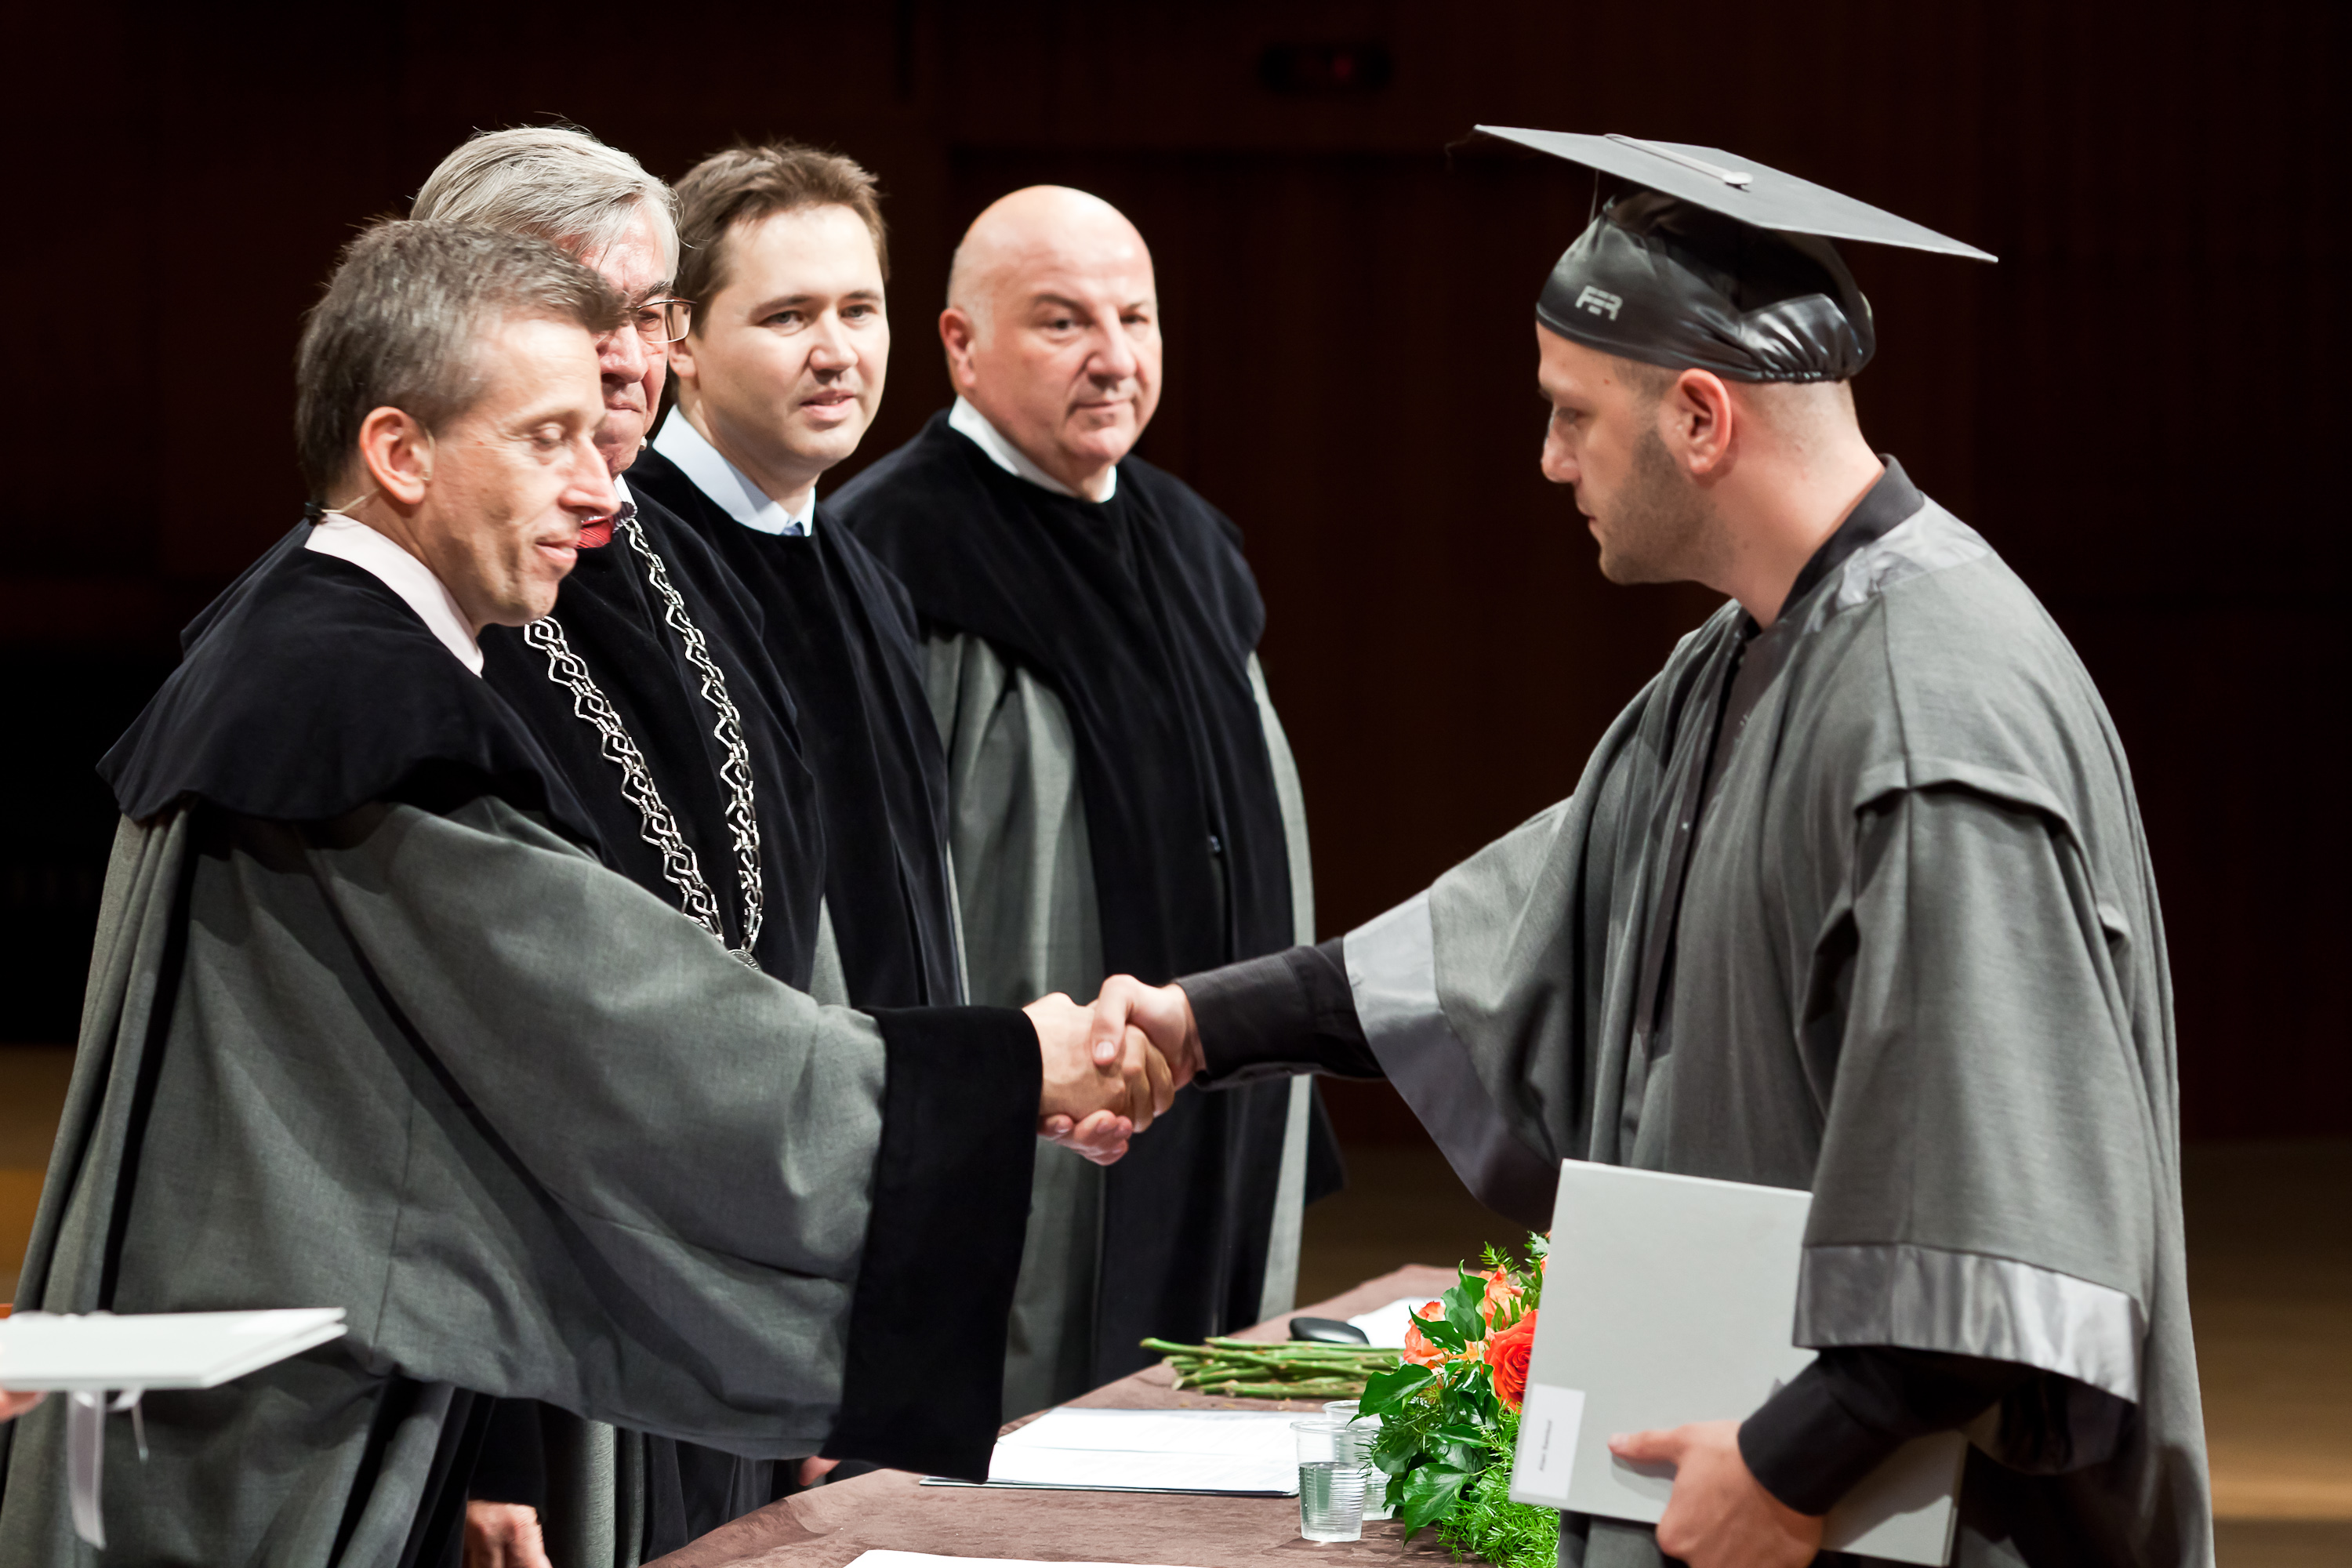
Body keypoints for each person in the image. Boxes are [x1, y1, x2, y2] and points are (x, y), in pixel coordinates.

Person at [1091, 131, 2212, 1568]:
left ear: (1699, 418)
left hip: (1903, 1517)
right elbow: (1523, 928)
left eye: (1572, 414)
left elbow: (2001, 1200)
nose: (1549, 458)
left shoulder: (1930, 707)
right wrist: (1200, 1025)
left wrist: (1790, 1466)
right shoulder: (1746, 661)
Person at [0, 219, 1169, 1565]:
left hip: (248, 1381)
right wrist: (1011, 1066)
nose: (599, 489)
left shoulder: (312, 653)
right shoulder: (357, 711)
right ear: (400, 453)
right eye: (547, 438)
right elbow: (640, 1032)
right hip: (264, 1440)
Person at [409, 124, 882, 1558]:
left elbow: (788, 947)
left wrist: (829, 1308)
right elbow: (437, 1068)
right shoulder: (431, 608)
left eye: (650, 315)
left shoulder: (679, 558)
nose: (627, 358)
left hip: (723, 1269)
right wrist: (483, 1428)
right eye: (584, 314)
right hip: (551, 1310)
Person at [833, 186, 1338, 1415]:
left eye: (1136, 317)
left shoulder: (1191, 536)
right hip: (1046, 1118)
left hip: (1221, 1100)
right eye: (1063, 323)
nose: (1114, 358)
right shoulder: (889, 553)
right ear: (961, 344)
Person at [637, 140, 960, 1020]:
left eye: (860, 309)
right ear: (679, 339)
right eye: (788, 316)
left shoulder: (871, 580)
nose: (837, 352)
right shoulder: (621, 568)